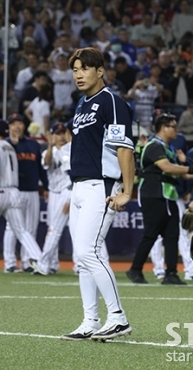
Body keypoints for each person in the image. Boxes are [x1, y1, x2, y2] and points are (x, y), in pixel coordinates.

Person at [62, 47, 134, 341]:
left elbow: (124, 147)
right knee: (83, 257)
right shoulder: (82, 103)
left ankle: (118, 318)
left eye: (84, 68)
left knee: (87, 252)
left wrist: (128, 190)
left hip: (100, 185)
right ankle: (90, 320)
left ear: (100, 71)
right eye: (75, 69)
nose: (79, 74)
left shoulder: (112, 101)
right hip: (79, 185)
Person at [127, 113, 193, 285]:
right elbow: (166, 167)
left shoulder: (166, 148)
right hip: (153, 195)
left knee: (172, 235)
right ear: (163, 128)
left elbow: (179, 174)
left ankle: (171, 273)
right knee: (151, 233)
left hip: (167, 196)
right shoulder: (155, 145)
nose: (176, 130)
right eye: (173, 126)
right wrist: (192, 170)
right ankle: (135, 269)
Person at [3, 113, 49, 274]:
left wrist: (46, 187)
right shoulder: (6, 144)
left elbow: (40, 168)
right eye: (13, 123)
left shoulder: (33, 145)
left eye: (20, 123)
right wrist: (13, 144)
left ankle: (27, 261)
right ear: (8, 128)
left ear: (24, 126)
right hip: (15, 191)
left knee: (30, 228)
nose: (17, 126)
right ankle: (9, 262)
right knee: (12, 228)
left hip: (32, 190)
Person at [38, 123, 72, 274]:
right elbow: (46, 162)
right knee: (52, 230)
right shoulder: (47, 151)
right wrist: (50, 146)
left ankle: (43, 264)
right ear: (52, 135)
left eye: (63, 132)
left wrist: (71, 199)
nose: (61, 136)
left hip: (68, 191)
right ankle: (52, 264)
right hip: (53, 193)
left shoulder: (72, 148)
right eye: (57, 133)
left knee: (56, 230)